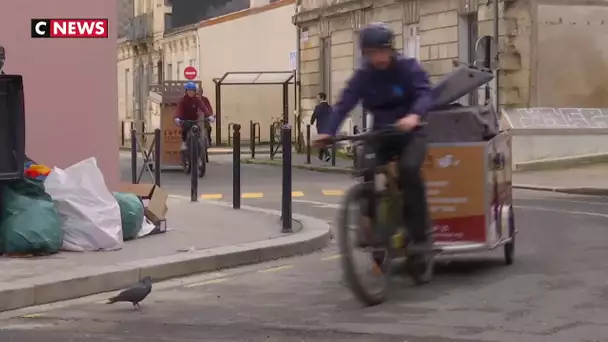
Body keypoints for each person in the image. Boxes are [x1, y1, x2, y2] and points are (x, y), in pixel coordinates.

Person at [313, 22, 434, 257]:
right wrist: (328, 131)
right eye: (372, 53)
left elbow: (425, 92)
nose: (379, 57)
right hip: (381, 132)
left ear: (391, 50)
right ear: (365, 54)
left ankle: (420, 235)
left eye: (383, 51)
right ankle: (373, 226)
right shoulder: (363, 77)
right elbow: (343, 104)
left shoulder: (407, 68)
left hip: (411, 132)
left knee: (409, 170)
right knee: (366, 169)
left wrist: (414, 115)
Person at [174, 82, 214, 151]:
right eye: (189, 91)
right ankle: (184, 142)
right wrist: (177, 117)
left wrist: (209, 116)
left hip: (195, 119)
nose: (190, 92)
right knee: (185, 128)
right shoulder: (182, 100)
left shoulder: (197, 100)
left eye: (192, 91)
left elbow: (203, 107)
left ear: (195, 91)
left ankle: (198, 146)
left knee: (197, 130)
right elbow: (179, 109)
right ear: (186, 91)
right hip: (185, 119)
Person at [310, 92, 332, 162]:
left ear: (322, 98)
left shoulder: (318, 107)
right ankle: (320, 156)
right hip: (328, 125)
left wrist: (311, 122)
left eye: (318, 97)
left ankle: (327, 154)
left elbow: (314, 115)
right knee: (323, 140)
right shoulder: (329, 107)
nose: (317, 98)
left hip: (321, 126)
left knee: (321, 141)